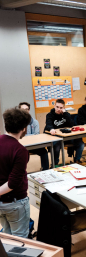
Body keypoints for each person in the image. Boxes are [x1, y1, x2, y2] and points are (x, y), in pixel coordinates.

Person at [0, 108, 31, 237]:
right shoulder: (20, 150)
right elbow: (13, 183)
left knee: (7, 235)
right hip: (15, 202)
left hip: (1, 203)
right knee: (20, 240)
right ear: (24, 128)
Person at [44, 99, 86, 166]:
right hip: (56, 137)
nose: (58, 109)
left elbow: (71, 124)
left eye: (61, 108)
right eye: (57, 107)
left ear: (63, 108)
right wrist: (51, 129)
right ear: (54, 106)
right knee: (57, 146)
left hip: (66, 137)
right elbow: (48, 124)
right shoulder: (49, 115)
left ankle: (77, 160)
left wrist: (66, 113)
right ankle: (55, 163)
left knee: (81, 144)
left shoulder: (66, 115)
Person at [19, 102, 49, 170]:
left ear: (29, 110)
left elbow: (36, 135)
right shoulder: (16, 123)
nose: (25, 111)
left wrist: (25, 135)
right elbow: (17, 136)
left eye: (26, 109)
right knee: (18, 155)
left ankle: (45, 170)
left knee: (44, 152)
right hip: (21, 146)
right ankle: (21, 173)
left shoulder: (35, 122)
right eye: (22, 109)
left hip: (33, 145)